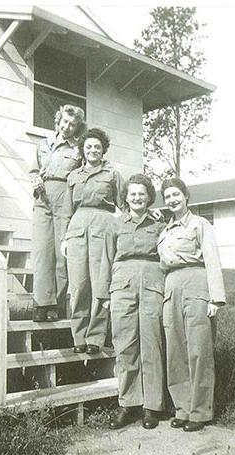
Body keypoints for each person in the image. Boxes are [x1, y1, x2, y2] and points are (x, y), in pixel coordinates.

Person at [97, 174, 166, 430]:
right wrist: (104, 295)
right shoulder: (115, 225)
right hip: (122, 286)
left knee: (152, 344)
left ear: (149, 197)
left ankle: (152, 407)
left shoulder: (160, 226)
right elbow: (106, 259)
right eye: (132, 194)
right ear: (125, 197)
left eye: (142, 194)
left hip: (152, 284)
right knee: (125, 345)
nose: (137, 198)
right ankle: (128, 404)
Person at [157, 177, 226, 432]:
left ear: (186, 196)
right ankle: (182, 408)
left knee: (199, 349)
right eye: (167, 197)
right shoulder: (165, 230)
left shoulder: (200, 224)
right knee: (175, 350)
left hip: (197, 282)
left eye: (176, 194)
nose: (172, 200)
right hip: (171, 286)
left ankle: (200, 411)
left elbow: (212, 258)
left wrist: (215, 298)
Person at [60, 128, 124, 355]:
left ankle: (95, 337)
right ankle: (78, 335)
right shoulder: (73, 177)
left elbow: (125, 204)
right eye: (89, 147)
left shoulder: (112, 174)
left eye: (97, 147)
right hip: (77, 227)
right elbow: (66, 211)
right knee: (78, 284)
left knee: (100, 283)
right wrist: (64, 238)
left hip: (103, 225)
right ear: (83, 150)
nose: (93, 150)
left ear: (103, 149)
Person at [29, 104, 86, 322]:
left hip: (65, 197)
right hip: (43, 197)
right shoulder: (43, 145)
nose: (67, 127)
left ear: (77, 127)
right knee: (42, 252)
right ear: (58, 121)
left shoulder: (78, 150)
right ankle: (41, 304)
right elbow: (33, 169)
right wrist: (35, 179)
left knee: (61, 255)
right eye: (65, 122)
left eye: (73, 124)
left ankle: (57, 306)